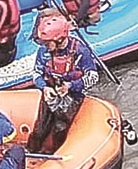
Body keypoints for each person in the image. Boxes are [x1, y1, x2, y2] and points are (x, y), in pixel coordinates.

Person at [27, 16, 99, 154]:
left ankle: (53, 154)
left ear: (59, 39)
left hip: (73, 96)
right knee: (40, 128)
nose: (45, 46)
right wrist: (44, 87)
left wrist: (71, 86)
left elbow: (93, 77)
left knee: (60, 128)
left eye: (48, 43)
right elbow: (36, 73)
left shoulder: (80, 52)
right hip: (51, 92)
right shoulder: (44, 51)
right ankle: (31, 152)